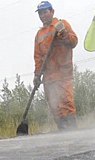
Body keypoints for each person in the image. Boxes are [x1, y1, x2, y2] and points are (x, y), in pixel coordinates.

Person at [33, 1, 79, 130]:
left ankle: (73, 130)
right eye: (40, 13)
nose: (42, 15)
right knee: (54, 105)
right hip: (48, 76)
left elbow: (74, 42)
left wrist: (63, 33)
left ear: (52, 11)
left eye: (45, 12)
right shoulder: (39, 34)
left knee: (66, 102)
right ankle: (62, 131)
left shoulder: (62, 24)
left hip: (63, 72)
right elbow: (38, 57)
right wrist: (37, 75)